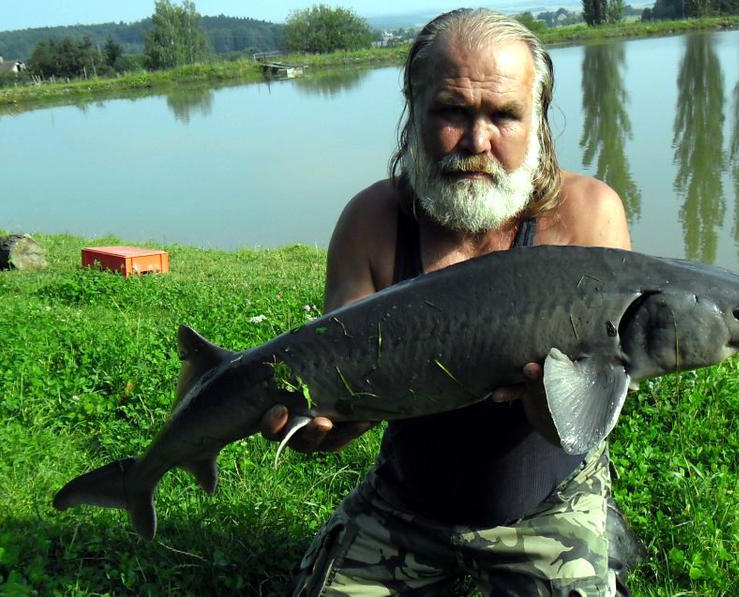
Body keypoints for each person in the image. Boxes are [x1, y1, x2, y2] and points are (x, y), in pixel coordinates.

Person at [262, 8, 641, 595]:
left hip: (548, 502)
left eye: (504, 116)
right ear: (413, 110)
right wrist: (322, 425)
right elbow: (337, 412)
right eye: (452, 112)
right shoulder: (371, 222)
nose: (477, 141)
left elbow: (582, 418)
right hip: (408, 503)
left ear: (537, 121)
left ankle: (594, 523)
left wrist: (549, 399)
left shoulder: (588, 216)